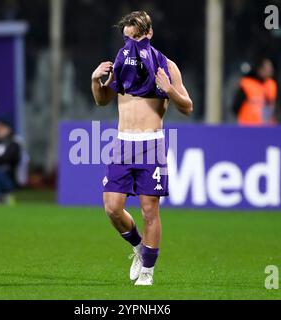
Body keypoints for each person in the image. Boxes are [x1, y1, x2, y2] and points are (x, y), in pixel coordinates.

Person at [91, 11, 193, 285]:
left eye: (136, 37)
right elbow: (102, 101)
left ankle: (147, 270)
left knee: (150, 211)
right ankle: (139, 247)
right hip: (123, 142)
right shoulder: (121, 63)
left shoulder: (166, 66)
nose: (131, 44)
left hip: (151, 144)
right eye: (126, 38)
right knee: (112, 207)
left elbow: (187, 107)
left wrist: (169, 89)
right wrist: (95, 81)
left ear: (148, 34)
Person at [232, 58, 278, 125]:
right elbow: (235, 106)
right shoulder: (247, 83)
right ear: (259, 69)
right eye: (267, 68)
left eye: (270, 68)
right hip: (248, 126)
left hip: (266, 127)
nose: (270, 71)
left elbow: (273, 106)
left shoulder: (271, 84)